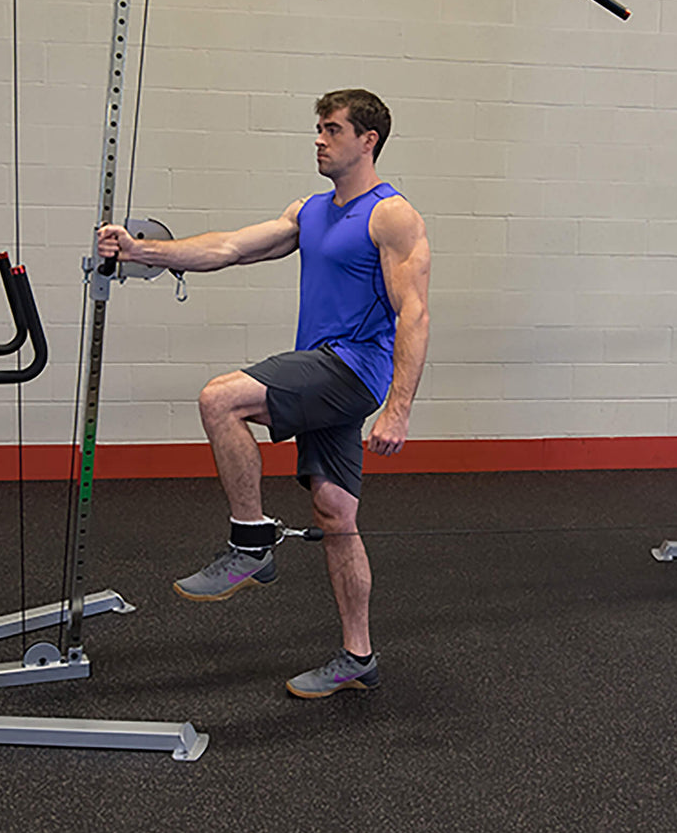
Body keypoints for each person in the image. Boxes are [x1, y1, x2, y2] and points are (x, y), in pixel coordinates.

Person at [96, 88, 430, 699]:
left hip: (352, 369)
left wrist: (399, 409)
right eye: (319, 128)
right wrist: (142, 251)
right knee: (336, 514)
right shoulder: (310, 211)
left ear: (368, 140)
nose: (320, 139)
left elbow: (414, 312)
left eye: (333, 129)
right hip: (326, 369)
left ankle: (251, 544)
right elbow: (229, 248)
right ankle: (359, 656)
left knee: (220, 399)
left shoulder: (391, 216)